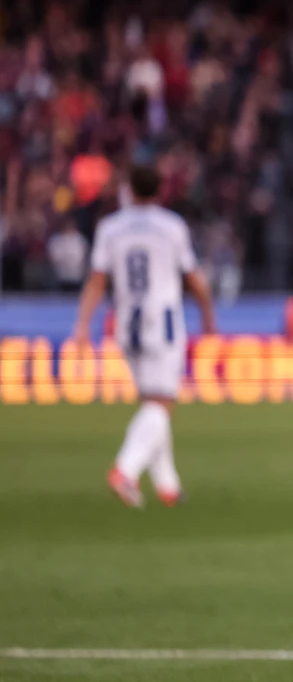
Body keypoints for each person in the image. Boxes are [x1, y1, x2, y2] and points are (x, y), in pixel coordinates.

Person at [72, 163, 216, 509]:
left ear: (129, 189)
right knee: (161, 404)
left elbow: (97, 279)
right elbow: (193, 278)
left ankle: (168, 486)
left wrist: (82, 325)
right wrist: (208, 315)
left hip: (126, 322)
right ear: (160, 191)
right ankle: (126, 469)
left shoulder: (111, 228)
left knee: (153, 402)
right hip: (163, 321)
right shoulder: (171, 226)